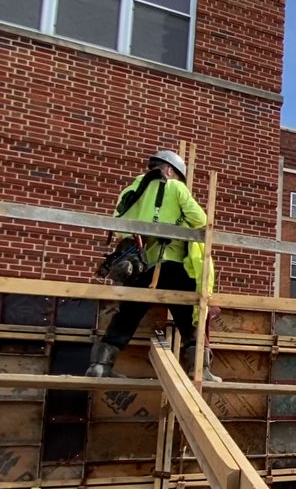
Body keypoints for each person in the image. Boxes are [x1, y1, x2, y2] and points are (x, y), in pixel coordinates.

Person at [86, 150, 220, 381]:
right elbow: (202, 222)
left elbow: (119, 227)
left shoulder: (131, 190)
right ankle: (200, 370)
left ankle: (100, 365)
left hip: (141, 266)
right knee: (189, 317)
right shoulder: (175, 187)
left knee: (127, 315)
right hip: (174, 264)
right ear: (169, 171)